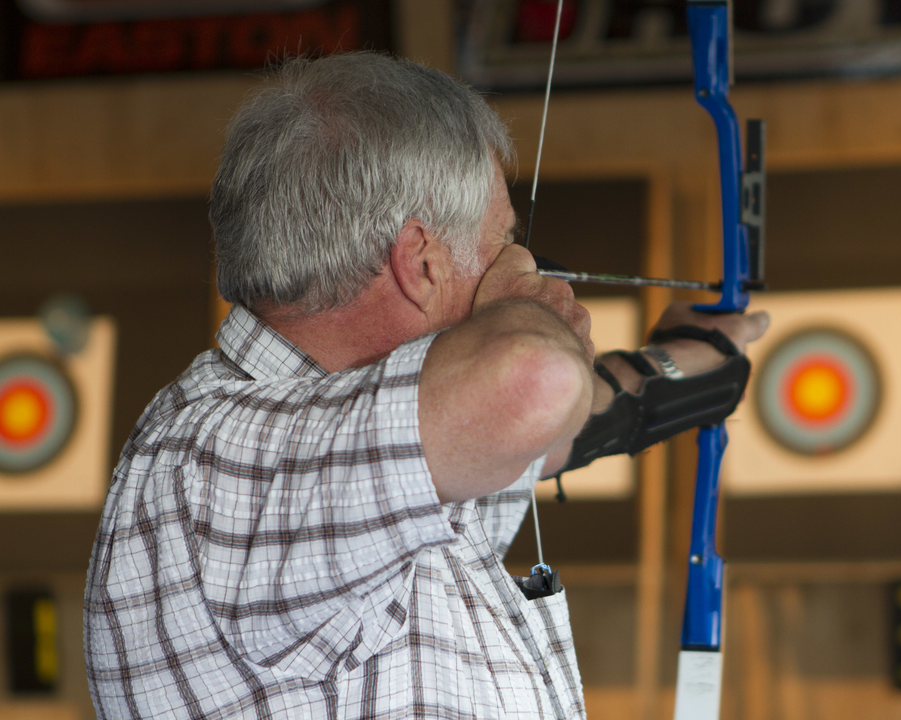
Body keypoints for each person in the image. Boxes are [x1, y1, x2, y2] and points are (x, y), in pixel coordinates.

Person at [84, 52, 768, 719]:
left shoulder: (370, 457)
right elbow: (533, 380)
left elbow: (555, 429)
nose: (521, 270)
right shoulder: (219, 463)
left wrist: (695, 360)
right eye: (503, 244)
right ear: (422, 264)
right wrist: (528, 316)